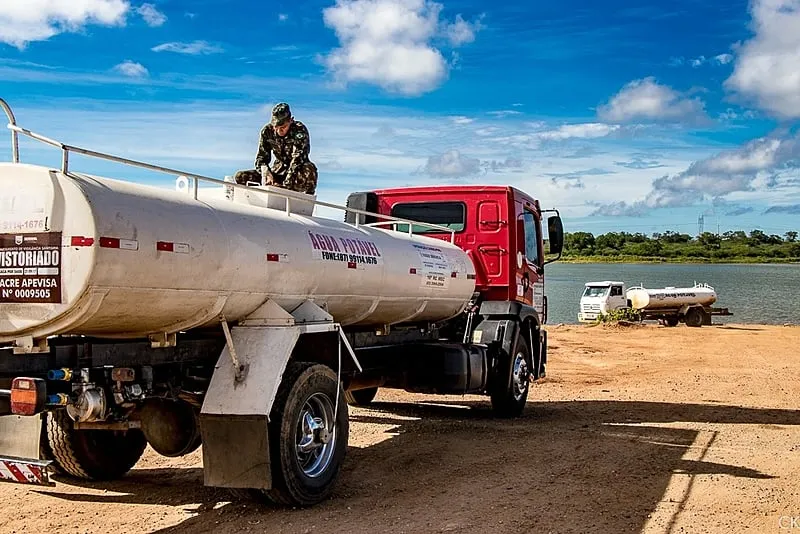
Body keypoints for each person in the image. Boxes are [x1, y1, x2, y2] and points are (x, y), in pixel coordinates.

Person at [233, 102, 318, 194]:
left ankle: (305, 201)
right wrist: (267, 174)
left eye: (283, 127)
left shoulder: (299, 131)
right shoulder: (267, 132)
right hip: (277, 172)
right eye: (276, 127)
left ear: (291, 120)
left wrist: (285, 186)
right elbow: (261, 159)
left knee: (309, 169)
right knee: (241, 176)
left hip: (296, 175)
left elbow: (298, 159)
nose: (279, 131)